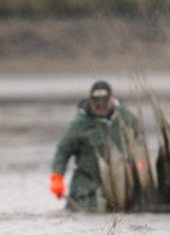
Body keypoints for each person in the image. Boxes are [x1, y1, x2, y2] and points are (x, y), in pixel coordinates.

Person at [49, 81, 144, 212]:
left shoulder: (127, 118)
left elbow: (140, 143)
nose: (101, 108)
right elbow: (63, 151)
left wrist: (140, 164)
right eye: (97, 105)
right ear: (90, 101)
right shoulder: (79, 124)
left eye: (104, 104)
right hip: (87, 184)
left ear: (112, 98)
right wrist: (57, 176)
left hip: (121, 182)